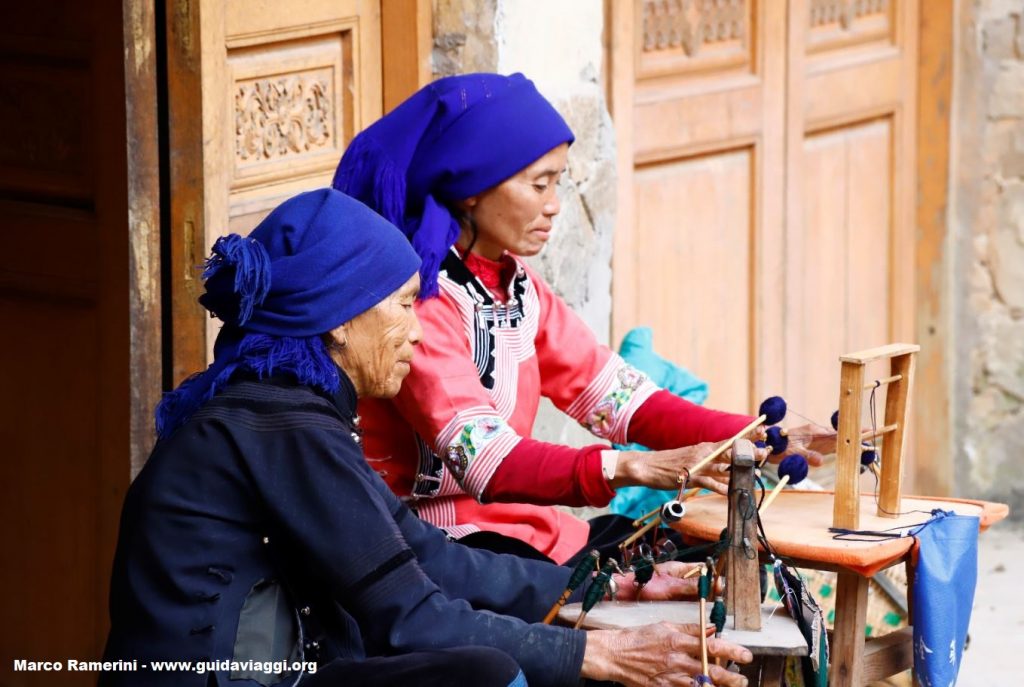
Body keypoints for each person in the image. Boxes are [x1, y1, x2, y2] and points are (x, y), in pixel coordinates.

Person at [100, 188, 754, 687]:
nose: (418, 329)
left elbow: (429, 557)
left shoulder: (294, 412)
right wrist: (600, 651)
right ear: (338, 323)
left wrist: (599, 589)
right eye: (404, 304)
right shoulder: (280, 425)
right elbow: (409, 613)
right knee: (482, 674)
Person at [333, 72, 837, 564]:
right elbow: (488, 461)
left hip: (518, 526)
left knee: (708, 553)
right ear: (472, 188)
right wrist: (634, 466)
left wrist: (756, 436)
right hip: (433, 543)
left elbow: (623, 402)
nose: (554, 207)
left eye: (559, 183)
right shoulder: (421, 303)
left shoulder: (515, 285)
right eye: (539, 185)